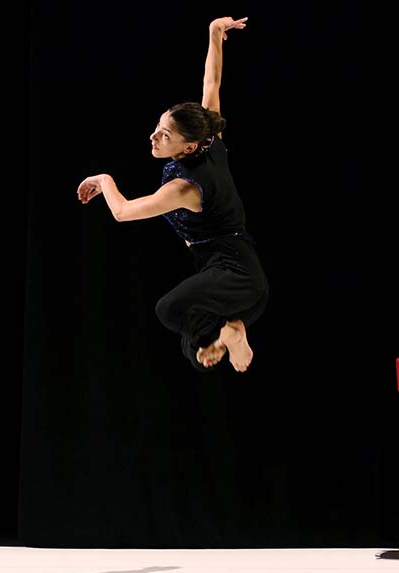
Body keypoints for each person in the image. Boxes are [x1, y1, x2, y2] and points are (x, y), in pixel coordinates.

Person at [77, 16, 268, 373]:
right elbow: (212, 81)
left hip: (235, 275)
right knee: (191, 342)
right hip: (237, 281)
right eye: (158, 126)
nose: (154, 137)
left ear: (189, 145)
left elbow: (123, 212)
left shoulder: (184, 188)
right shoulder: (211, 137)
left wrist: (104, 180)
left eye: (165, 135)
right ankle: (224, 334)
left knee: (169, 310)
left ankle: (227, 332)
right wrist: (214, 32)